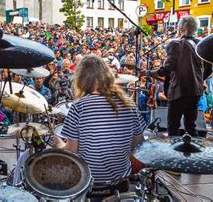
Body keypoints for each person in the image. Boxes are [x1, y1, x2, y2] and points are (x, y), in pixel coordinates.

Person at [51, 55, 146, 188]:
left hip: (89, 182)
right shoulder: (129, 104)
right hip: (121, 180)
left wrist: (59, 144)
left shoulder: (78, 107)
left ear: (82, 79)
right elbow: (139, 144)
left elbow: (71, 152)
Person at [143, 16, 212, 136]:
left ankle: (173, 153)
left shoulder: (176, 44)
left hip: (178, 92)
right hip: (195, 92)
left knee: (173, 127)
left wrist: (148, 73)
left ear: (180, 29)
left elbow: (166, 69)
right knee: (191, 125)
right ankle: (193, 152)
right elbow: (209, 69)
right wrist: (198, 79)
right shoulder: (201, 43)